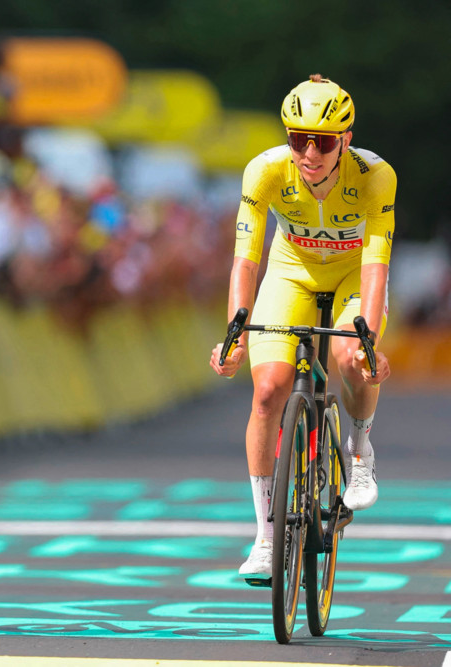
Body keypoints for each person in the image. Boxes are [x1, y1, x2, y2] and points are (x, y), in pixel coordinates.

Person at [209, 74, 394, 583]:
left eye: (324, 141)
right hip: (291, 271)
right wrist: (235, 334)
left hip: (353, 272)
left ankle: (359, 448)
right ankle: (267, 538)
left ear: (346, 140)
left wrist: (369, 340)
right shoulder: (265, 171)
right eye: (297, 138)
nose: (309, 152)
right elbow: (245, 261)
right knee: (268, 392)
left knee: (348, 358)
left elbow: (377, 266)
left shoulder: (377, 177)